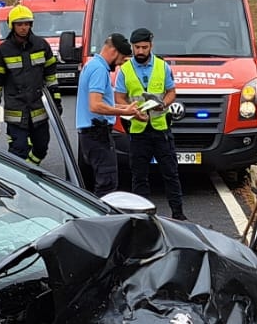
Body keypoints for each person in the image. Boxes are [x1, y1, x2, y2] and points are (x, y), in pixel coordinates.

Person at [117, 26, 185, 218]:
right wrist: (132, 110)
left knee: (171, 174)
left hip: (161, 128)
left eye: (144, 47)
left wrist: (164, 103)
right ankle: (143, 215)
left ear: (151, 46)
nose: (140, 51)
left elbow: (172, 92)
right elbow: (120, 97)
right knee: (139, 177)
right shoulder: (125, 70)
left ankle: (178, 214)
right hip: (138, 131)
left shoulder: (162, 67)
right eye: (136, 47)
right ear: (132, 47)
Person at [0, 4, 57, 166]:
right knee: (18, 151)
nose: (23, 28)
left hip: (38, 110)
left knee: (41, 147)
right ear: (12, 26)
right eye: (20, 24)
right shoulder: (3, 51)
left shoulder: (42, 45)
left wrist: (56, 101)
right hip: (16, 113)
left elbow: (51, 76)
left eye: (26, 23)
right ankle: (21, 182)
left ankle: (30, 170)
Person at [75, 32, 140, 196]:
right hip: (97, 134)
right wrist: (122, 111)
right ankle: (103, 220)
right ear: (114, 51)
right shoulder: (99, 70)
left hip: (90, 134)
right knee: (107, 184)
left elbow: (103, 102)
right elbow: (96, 105)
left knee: (97, 182)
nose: (119, 65)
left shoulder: (92, 64)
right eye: (121, 59)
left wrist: (126, 110)